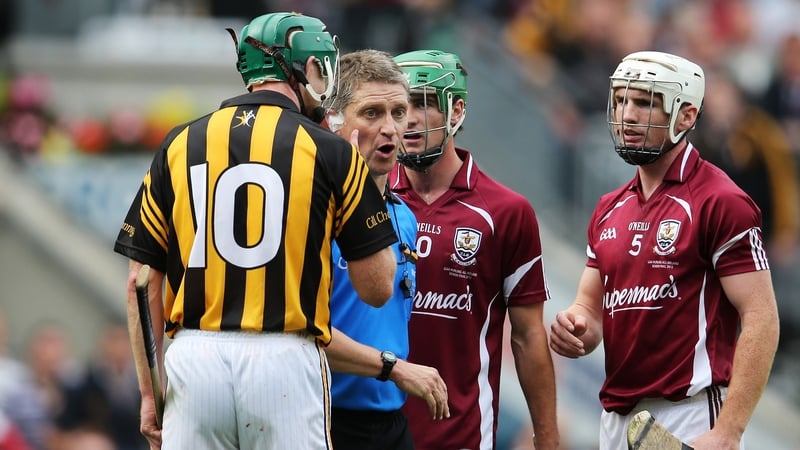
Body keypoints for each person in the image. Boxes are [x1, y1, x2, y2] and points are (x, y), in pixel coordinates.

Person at [113, 12, 398, 450]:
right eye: (321, 67)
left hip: (194, 358)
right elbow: (377, 287)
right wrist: (359, 190)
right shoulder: (331, 150)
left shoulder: (179, 143)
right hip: (285, 360)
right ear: (301, 67)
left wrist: (150, 393)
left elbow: (140, 282)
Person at [548, 51, 780, 450]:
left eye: (644, 102)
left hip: (687, 415)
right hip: (616, 419)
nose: (628, 115)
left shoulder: (720, 200)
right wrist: (576, 326)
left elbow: (762, 318)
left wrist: (729, 430)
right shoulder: (608, 208)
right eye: (621, 100)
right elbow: (590, 309)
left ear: (686, 116)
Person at [388, 49, 560, 450]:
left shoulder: (506, 212)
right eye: (397, 107)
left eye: (422, 103)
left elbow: (529, 336)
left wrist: (548, 439)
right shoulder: (362, 197)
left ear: (456, 110)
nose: (408, 118)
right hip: (369, 433)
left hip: (461, 435)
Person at [319, 49, 449, 450]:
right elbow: (303, 332)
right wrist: (393, 369)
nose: (391, 128)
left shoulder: (404, 216)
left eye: (398, 112)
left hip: (391, 424)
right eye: (372, 113)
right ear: (335, 121)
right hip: (324, 420)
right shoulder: (313, 215)